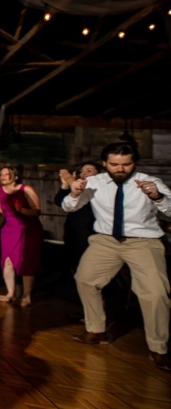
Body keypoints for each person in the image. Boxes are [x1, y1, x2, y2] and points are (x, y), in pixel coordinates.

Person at [63, 142, 171, 371]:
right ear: (105, 163)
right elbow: (70, 207)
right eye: (114, 164)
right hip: (106, 240)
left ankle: (159, 348)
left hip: (144, 242)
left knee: (156, 294)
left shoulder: (151, 182)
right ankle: (96, 330)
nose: (120, 169)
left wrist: (158, 196)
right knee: (85, 279)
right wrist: (73, 194)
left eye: (126, 164)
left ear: (134, 163)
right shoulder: (94, 182)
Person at [0, 166, 43, 306]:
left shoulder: (26, 189)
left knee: (26, 261)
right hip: (9, 230)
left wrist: (22, 210)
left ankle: (26, 295)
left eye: (7, 174)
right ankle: (10, 293)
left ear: (15, 176)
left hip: (28, 229)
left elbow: (37, 211)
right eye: (1, 174)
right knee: (7, 262)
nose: (3, 176)